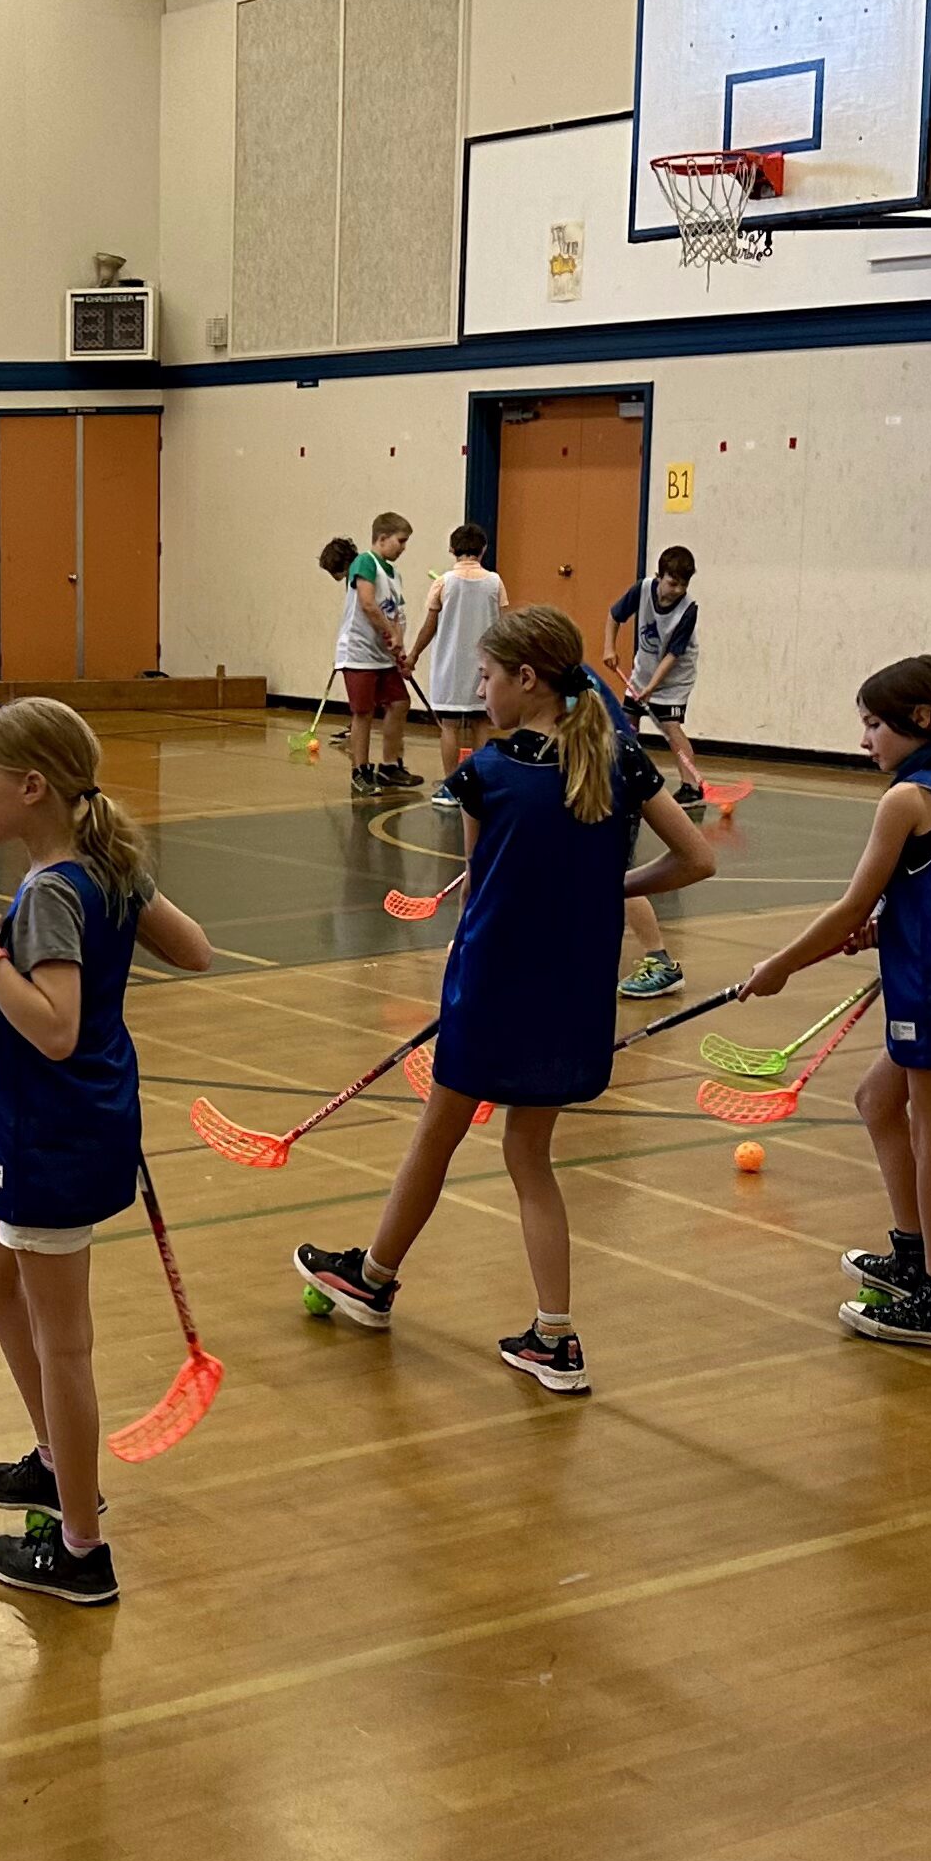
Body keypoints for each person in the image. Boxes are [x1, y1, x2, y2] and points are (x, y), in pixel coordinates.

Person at [295, 607, 715, 1392]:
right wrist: (613, 887)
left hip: (494, 983)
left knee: (438, 1133)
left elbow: (477, 894)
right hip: (574, 989)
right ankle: (555, 1336)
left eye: (487, 675)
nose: (479, 688)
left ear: (526, 679)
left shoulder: (486, 772)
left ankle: (375, 1278)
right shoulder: (622, 760)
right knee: (530, 1154)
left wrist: (468, 961)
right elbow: (697, 858)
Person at [0, 698, 216, 1606]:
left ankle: (82, 1547)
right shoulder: (108, 866)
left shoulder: (53, 891)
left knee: (66, 1346)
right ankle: (57, 1459)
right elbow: (198, 953)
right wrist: (130, 900)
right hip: (89, 1117)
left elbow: (55, 1029)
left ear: (33, 786)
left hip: (53, 1129)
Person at [741, 657, 931, 1350]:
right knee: (878, 1101)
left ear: (921, 722)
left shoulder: (909, 799)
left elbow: (849, 905)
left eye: (873, 724)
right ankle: (913, 1255)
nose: (865, 739)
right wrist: (894, 922)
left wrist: (780, 965)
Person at [405, 523, 505, 795]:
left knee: (448, 726)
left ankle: (451, 785)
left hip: (449, 667)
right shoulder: (495, 582)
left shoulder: (443, 582)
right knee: (481, 723)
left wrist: (413, 655)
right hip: (484, 667)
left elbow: (429, 626)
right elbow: (504, 624)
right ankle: (480, 783)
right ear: (483, 549)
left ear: (452, 549)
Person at [326, 514, 421, 795]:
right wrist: (389, 632)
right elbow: (367, 603)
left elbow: (398, 614)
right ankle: (360, 771)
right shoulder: (365, 562)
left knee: (399, 702)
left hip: (382, 655)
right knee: (364, 712)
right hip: (358, 652)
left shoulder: (395, 574)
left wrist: (399, 642)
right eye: (400, 541)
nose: (403, 547)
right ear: (382, 538)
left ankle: (390, 766)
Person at [609, 545, 708, 806]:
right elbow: (614, 615)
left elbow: (673, 655)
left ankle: (692, 787)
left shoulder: (688, 610)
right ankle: (625, 775)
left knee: (670, 728)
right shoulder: (642, 589)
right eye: (672, 582)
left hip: (674, 678)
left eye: (683, 584)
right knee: (626, 723)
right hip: (644, 670)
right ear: (660, 576)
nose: (678, 590)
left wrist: (652, 688)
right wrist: (609, 647)